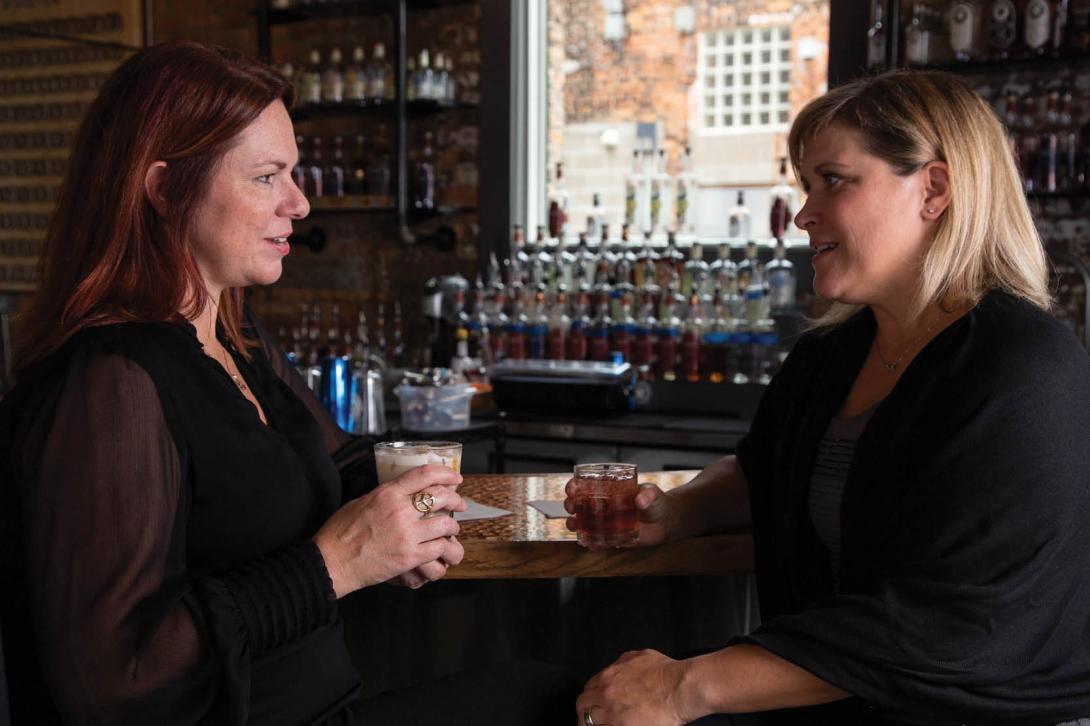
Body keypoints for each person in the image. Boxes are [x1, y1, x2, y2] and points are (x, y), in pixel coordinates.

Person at [0, 41, 577, 725]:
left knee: (564, 695)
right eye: (267, 177)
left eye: (294, 174)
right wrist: (338, 562)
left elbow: (340, 460)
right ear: (163, 190)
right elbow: (111, 680)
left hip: (336, 709)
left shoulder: (237, 343)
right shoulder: (107, 383)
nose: (300, 205)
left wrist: (409, 511)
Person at [569, 70, 1090, 726]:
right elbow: (765, 473)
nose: (802, 213)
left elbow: (954, 626)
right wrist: (679, 512)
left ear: (933, 189)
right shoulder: (831, 356)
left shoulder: (1022, 370)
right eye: (804, 185)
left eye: (833, 180)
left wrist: (688, 687)